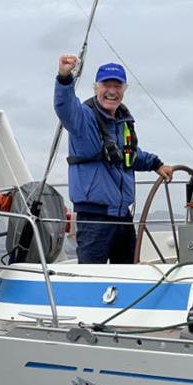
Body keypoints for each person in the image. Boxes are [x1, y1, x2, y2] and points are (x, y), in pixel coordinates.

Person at [54, 55, 174, 263]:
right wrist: (64, 78)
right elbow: (65, 107)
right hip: (94, 220)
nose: (112, 91)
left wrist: (156, 164)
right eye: (106, 85)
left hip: (123, 217)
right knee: (91, 280)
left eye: (117, 86)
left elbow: (128, 155)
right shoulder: (83, 119)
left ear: (124, 90)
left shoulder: (123, 121)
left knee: (128, 276)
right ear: (95, 88)